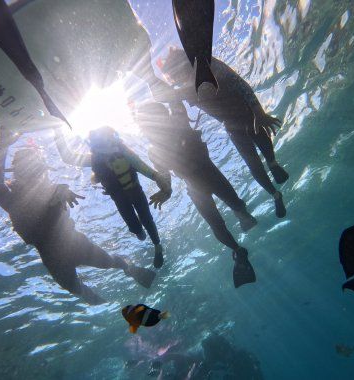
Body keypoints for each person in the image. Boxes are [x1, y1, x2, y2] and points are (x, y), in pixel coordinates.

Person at [0, 125, 156, 305]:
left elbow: (57, 192)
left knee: (109, 262)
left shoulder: (54, 190)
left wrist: (63, 191)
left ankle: (128, 268)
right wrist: (1, 146)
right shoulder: (12, 199)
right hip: (52, 257)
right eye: (25, 168)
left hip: (75, 243)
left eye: (35, 167)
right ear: (16, 173)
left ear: (43, 169)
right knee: (74, 288)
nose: (31, 173)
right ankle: (97, 299)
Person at [135, 102, 257, 288]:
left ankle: (238, 245)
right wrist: (166, 192)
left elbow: (165, 175)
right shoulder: (170, 132)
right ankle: (240, 236)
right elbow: (165, 175)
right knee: (230, 211)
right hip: (207, 178)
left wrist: (166, 191)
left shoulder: (164, 139)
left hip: (198, 184)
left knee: (220, 222)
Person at [157, 47, 288, 218]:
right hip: (232, 125)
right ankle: (275, 194)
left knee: (261, 139)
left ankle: (272, 163)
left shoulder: (208, 65)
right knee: (253, 164)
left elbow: (238, 82)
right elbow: (163, 96)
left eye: (175, 75)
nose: (177, 79)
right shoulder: (185, 90)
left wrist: (259, 111)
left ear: (183, 64)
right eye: (173, 78)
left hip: (246, 111)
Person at [53, 126, 170, 268]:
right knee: (136, 229)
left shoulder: (125, 154)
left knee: (147, 219)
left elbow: (145, 168)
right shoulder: (95, 160)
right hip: (120, 199)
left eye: (108, 139)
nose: (107, 145)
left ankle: (157, 246)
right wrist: (57, 131)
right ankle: (141, 233)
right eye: (102, 141)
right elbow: (69, 157)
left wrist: (160, 181)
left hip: (135, 192)